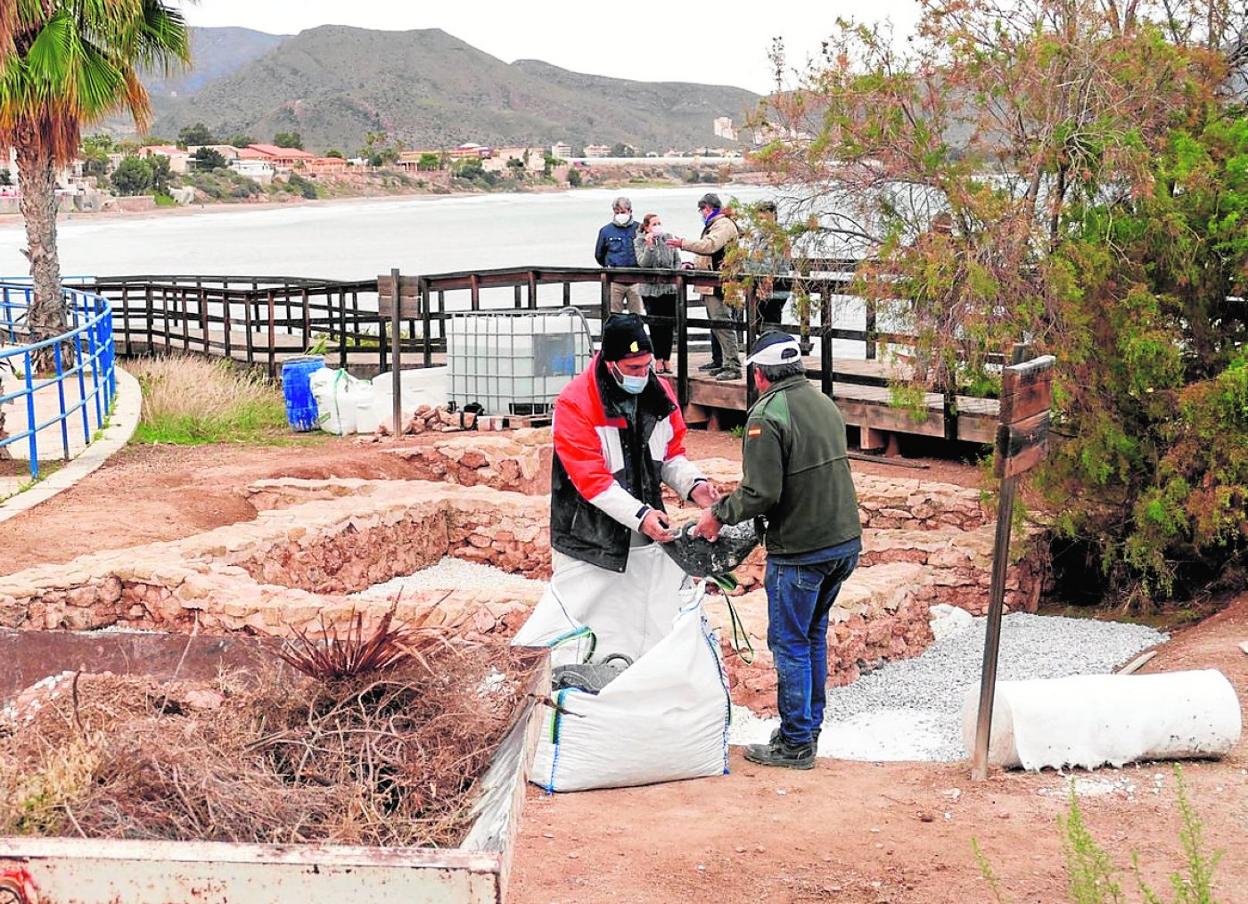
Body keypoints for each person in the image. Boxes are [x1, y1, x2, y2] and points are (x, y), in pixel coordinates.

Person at [693, 331, 862, 769]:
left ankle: (796, 743)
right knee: (812, 636)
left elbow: (761, 492)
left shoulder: (766, 416)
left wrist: (717, 514)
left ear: (759, 374)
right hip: (843, 542)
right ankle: (807, 730)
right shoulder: (823, 402)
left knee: (789, 642)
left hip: (802, 549)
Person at [550, 313, 719, 573]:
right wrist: (640, 516)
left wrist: (694, 485)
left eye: (646, 365)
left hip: (645, 527)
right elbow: (592, 480)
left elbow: (669, 454)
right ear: (610, 363)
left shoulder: (660, 393)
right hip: (588, 540)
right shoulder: (574, 404)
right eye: (633, 368)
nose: (642, 374)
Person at [667, 192, 741, 381]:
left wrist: (683, 244)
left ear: (707, 208)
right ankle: (722, 361)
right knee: (716, 325)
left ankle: (732, 365)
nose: (701, 214)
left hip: (721, 283)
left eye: (702, 210)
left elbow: (710, 246)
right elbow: (707, 255)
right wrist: (694, 265)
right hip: (711, 282)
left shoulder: (723, 225)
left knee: (723, 324)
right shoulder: (714, 225)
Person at [633, 212, 682, 374]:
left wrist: (674, 274)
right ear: (647, 227)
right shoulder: (639, 241)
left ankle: (667, 358)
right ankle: (658, 359)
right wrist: (650, 247)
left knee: (668, 326)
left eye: (659, 223)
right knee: (655, 326)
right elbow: (643, 263)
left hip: (669, 289)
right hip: (650, 290)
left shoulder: (668, 238)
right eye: (654, 224)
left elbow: (676, 259)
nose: (657, 226)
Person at [745, 201, 792, 331]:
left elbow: (771, 265)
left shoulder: (778, 237)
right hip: (760, 287)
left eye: (763, 218)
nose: (761, 222)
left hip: (775, 287)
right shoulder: (758, 237)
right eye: (759, 219)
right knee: (757, 325)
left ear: (773, 216)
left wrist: (748, 265)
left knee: (771, 325)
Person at [594, 196, 642, 314]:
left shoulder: (639, 229)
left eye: (623, 212)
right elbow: (599, 254)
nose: (620, 215)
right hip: (614, 281)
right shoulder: (605, 231)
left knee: (637, 315)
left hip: (636, 280)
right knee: (613, 315)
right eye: (617, 212)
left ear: (630, 211)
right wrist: (609, 266)